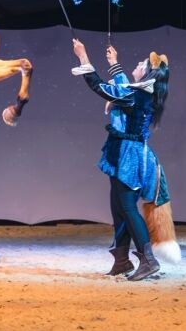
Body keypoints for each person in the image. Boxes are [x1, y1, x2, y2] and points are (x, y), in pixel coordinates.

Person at [71, 38, 176, 281]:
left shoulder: (138, 95)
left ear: (147, 74)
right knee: (118, 208)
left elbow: (102, 88)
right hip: (123, 152)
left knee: (127, 208)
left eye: (141, 65)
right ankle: (121, 260)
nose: (137, 65)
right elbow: (122, 88)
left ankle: (148, 260)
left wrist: (83, 57)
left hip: (129, 157)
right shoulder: (140, 93)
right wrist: (114, 63)